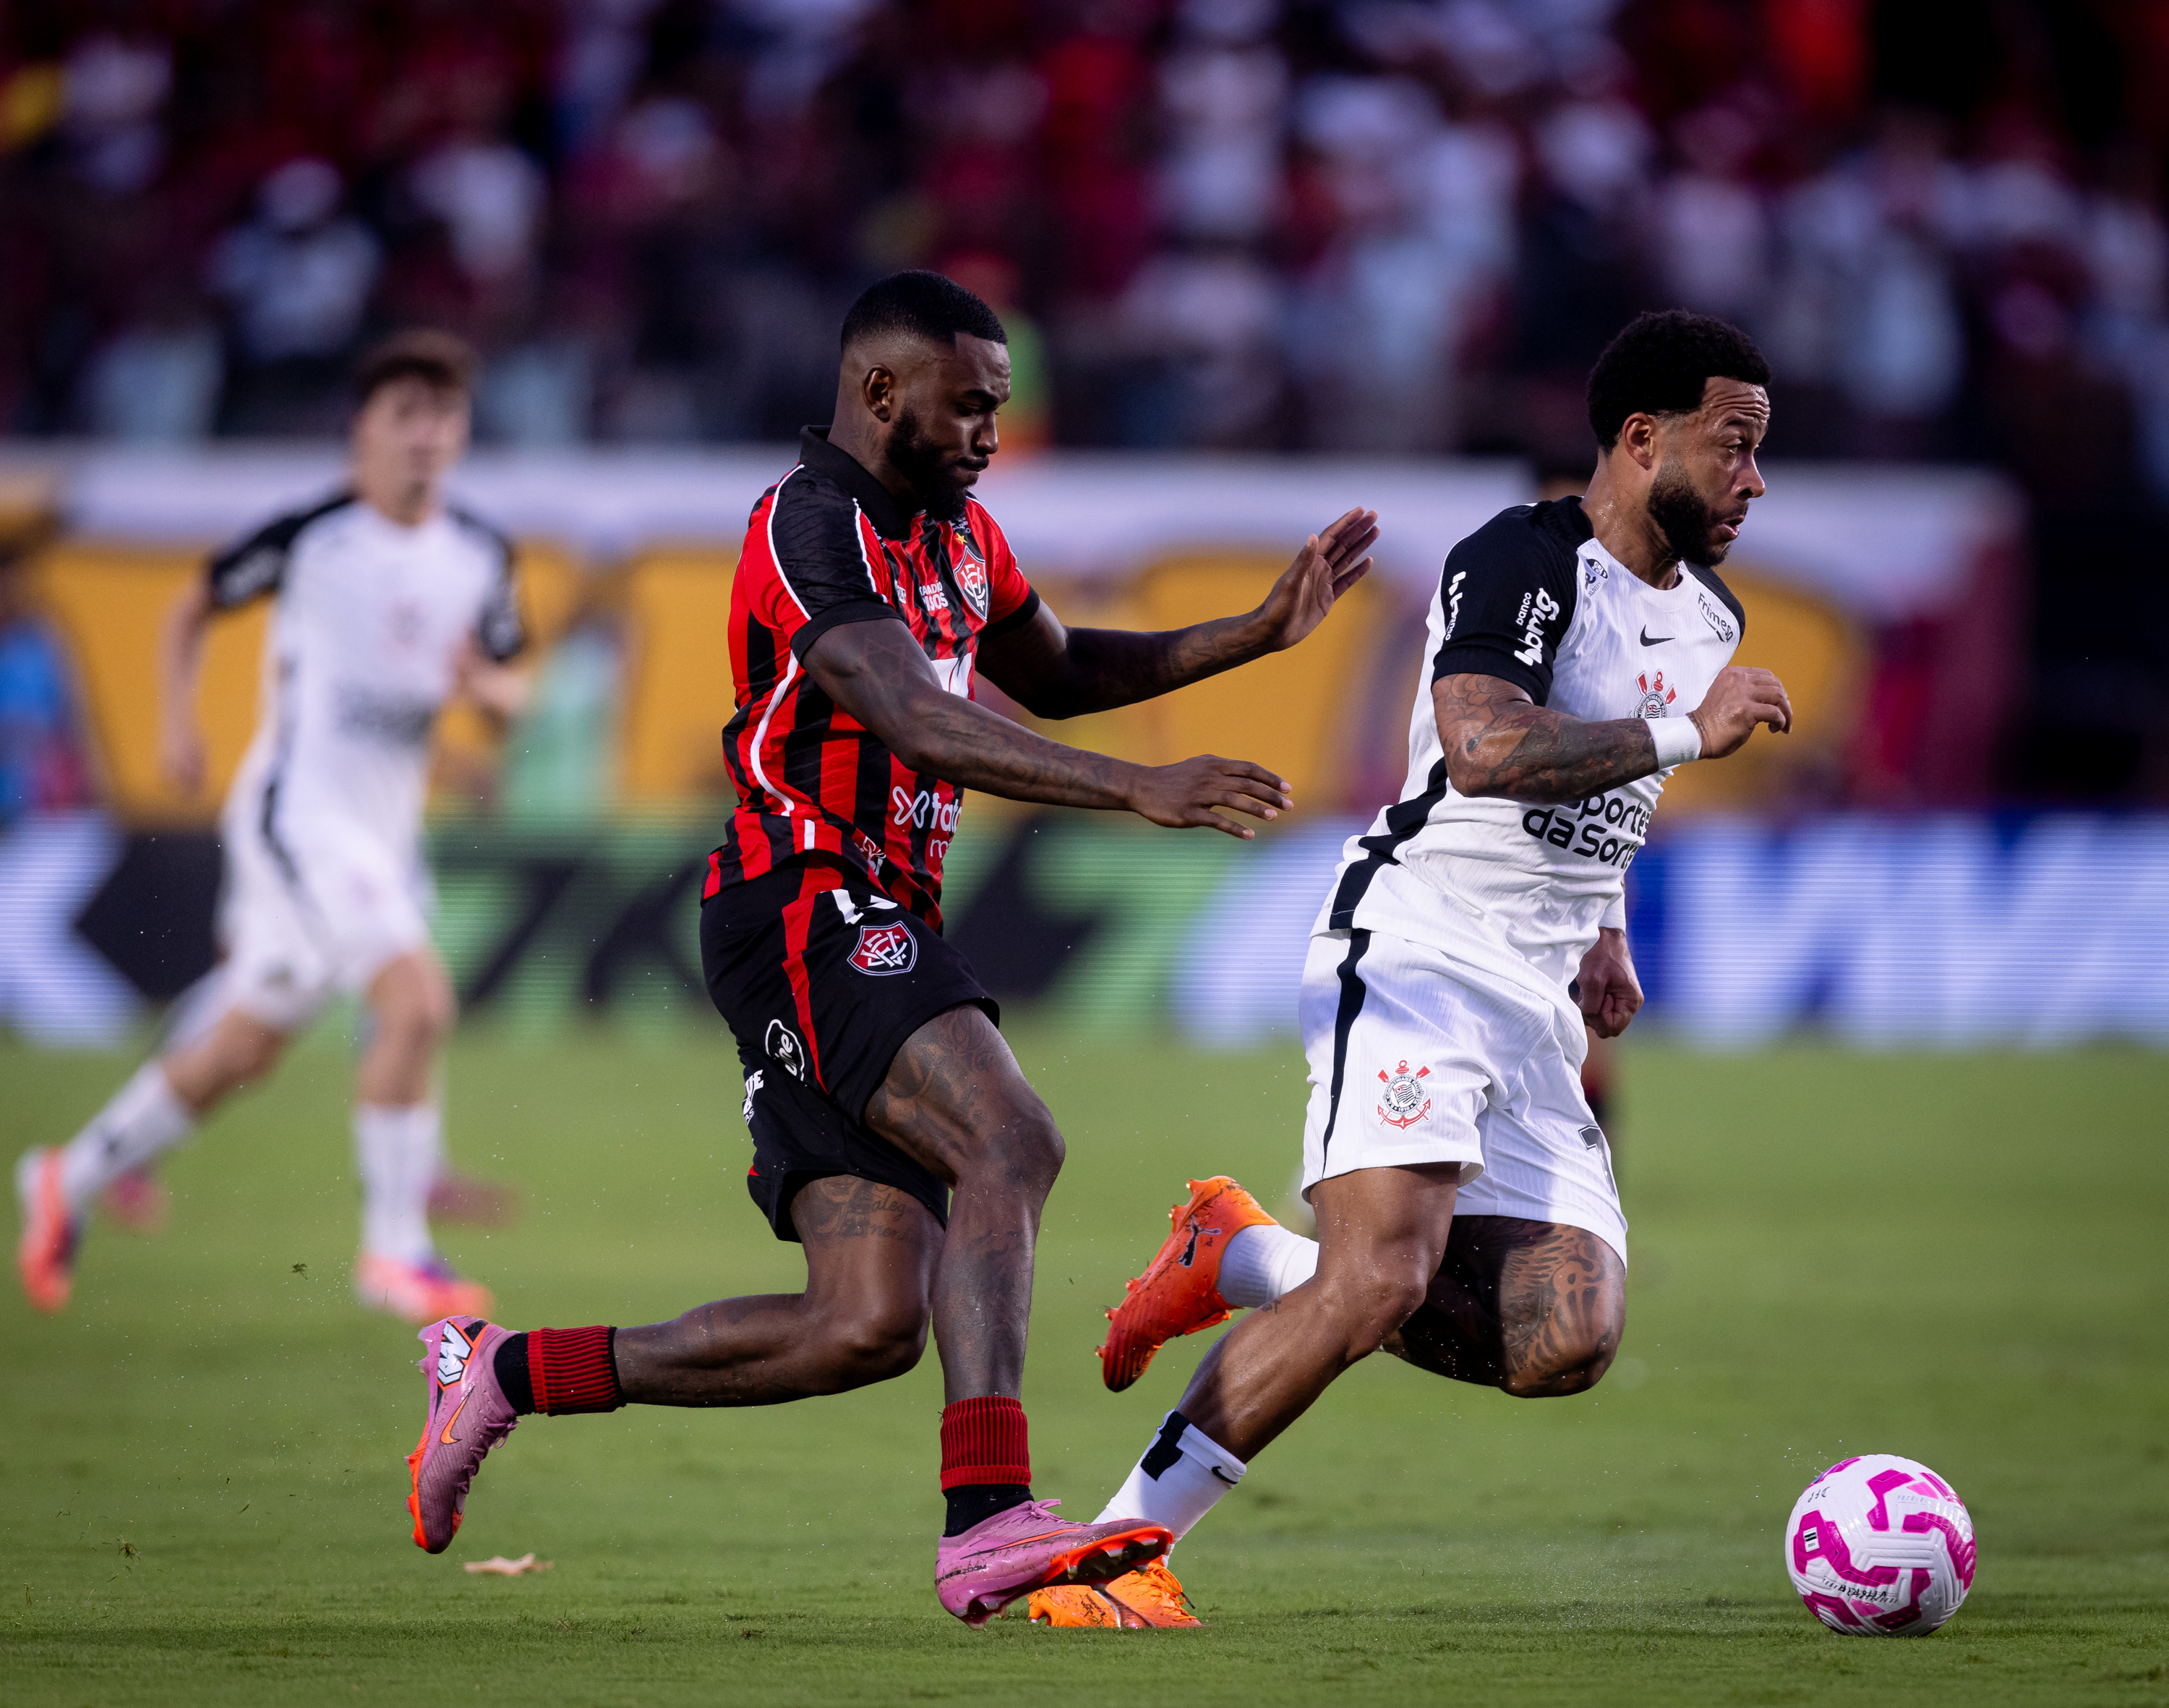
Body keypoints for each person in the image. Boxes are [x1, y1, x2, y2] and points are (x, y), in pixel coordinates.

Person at [401, 270, 1380, 1628]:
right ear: (880, 392)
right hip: (800, 899)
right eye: (969, 404)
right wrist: (1133, 787)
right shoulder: (808, 526)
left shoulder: (962, 535)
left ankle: (499, 1370)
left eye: (1000, 407)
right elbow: (916, 715)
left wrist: (1255, 635)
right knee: (1012, 1136)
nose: (989, 430)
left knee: (857, 1325)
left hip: (876, 914)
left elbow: (1058, 662)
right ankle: (987, 1518)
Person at [1031, 309, 1794, 1628]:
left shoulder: (1710, 616)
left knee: (1567, 1336)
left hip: (1538, 995)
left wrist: (1604, 925)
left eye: (1761, 452)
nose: (1754, 479)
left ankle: (1245, 1255)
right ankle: (1109, 1551)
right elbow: (1489, 747)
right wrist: (1685, 734)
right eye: (1734, 446)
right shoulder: (1519, 559)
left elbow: (1603, 792)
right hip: (1424, 949)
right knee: (1380, 1275)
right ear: (1641, 437)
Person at [14, 330, 529, 1323]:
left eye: (442, 416)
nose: (425, 436)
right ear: (363, 430)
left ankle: (66, 1177)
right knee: (415, 997)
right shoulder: (311, 536)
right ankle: (395, 1250)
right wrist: (174, 725)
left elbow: (505, 682)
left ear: (462, 431)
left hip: (384, 830)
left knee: (242, 1048)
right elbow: (190, 607)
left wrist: (483, 707)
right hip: (300, 817)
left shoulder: (478, 553)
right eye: (404, 415)